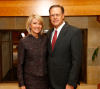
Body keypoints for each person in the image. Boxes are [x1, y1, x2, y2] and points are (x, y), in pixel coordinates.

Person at [47, 5, 83, 89]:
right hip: (51, 81)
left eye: (57, 14)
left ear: (63, 15)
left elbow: (77, 60)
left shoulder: (74, 32)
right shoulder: (49, 32)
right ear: (49, 17)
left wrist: (71, 83)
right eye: (52, 15)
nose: (55, 17)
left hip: (66, 82)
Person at [17, 14, 49, 89]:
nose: (37, 26)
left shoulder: (45, 40)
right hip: (30, 79)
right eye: (34, 23)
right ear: (29, 25)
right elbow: (20, 64)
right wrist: (21, 84)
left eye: (40, 23)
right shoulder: (23, 41)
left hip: (44, 79)